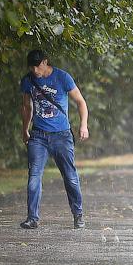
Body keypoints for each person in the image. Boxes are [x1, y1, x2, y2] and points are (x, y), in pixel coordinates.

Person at [19, 49, 89, 229]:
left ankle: (78, 214)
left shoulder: (62, 77)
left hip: (62, 136)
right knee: (34, 175)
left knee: (70, 177)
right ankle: (32, 218)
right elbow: (27, 107)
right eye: (32, 66)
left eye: (38, 65)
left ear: (45, 61)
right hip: (38, 136)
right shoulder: (28, 81)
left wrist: (83, 125)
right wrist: (25, 129)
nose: (35, 70)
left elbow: (80, 101)